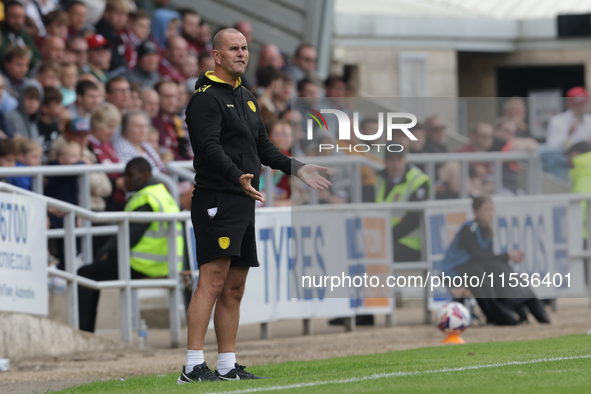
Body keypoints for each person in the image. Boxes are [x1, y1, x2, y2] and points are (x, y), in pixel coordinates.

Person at [180, 28, 330, 383]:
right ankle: (191, 366)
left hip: (244, 199)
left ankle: (228, 364)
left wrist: (297, 167)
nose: (241, 54)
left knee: (235, 285)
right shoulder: (205, 98)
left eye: (245, 48)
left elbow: (262, 146)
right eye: (233, 48)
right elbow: (208, 147)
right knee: (211, 280)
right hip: (219, 197)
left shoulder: (246, 96)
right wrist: (237, 176)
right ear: (216, 55)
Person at [77, 157, 184, 332]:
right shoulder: (162, 194)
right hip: (166, 263)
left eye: (130, 176)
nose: (125, 180)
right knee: (92, 271)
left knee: (85, 274)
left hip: (144, 265)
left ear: (145, 175)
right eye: (124, 176)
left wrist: (106, 254)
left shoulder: (146, 199)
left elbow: (128, 238)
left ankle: (83, 333)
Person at [441, 196, 550, 325]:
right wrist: (507, 256)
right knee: (483, 273)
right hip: (455, 272)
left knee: (501, 268)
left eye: (491, 209)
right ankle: (501, 316)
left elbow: (488, 259)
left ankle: (528, 307)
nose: (490, 213)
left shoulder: (487, 230)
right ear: (475, 212)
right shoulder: (468, 229)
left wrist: (506, 259)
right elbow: (479, 257)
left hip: (474, 269)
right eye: (485, 210)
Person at [376, 146, 430, 262]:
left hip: (410, 241)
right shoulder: (379, 178)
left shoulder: (418, 180)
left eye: (399, 159)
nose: (396, 165)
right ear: (385, 161)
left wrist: (387, 237)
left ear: (405, 159)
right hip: (383, 237)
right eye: (391, 160)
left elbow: (412, 219)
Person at [88, 103, 126, 211]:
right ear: (97, 125)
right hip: (101, 205)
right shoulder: (88, 146)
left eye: (114, 127)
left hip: (116, 201)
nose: (112, 132)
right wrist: (115, 183)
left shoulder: (107, 144)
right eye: (109, 127)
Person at [152, 80, 191, 160]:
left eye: (174, 96)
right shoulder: (153, 121)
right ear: (157, 97)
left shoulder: (175, 120)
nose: (171, 101)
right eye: (167, 96)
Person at [95, 0, 130, 77]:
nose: (122, 18)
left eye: (125, 15)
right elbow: (113, 64)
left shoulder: (115, 32)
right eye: (118, 14)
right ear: (106, 13)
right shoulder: (102, 31)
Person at [0, 1, 41, 68]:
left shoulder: (24, 34)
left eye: (22, 17)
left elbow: (37, 57)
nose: (18, 21)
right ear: (5, 15)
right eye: (14, 17)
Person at [567, 142, 591, 243]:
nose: (567, 159)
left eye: (569, 155)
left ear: (579, 154)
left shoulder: (584, 175)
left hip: (584, 236)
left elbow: (580, 209)